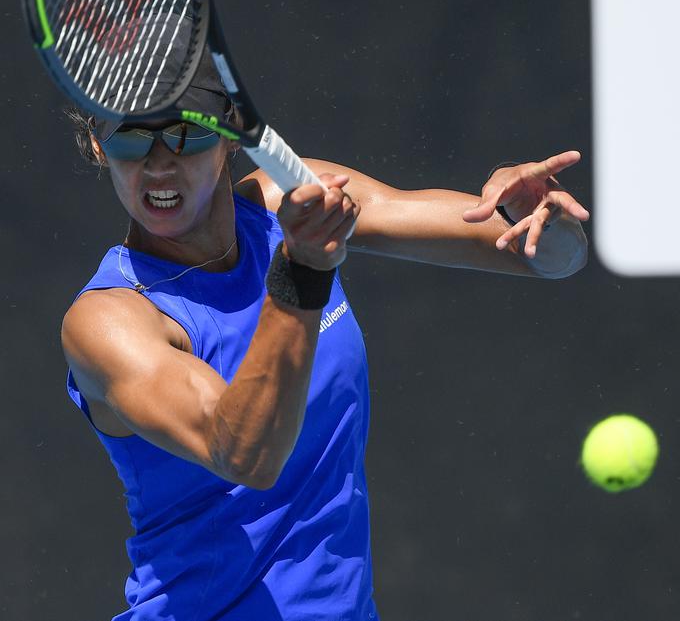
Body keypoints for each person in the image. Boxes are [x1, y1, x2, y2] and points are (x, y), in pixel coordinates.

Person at [61, 50, 589, 621]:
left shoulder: (283, 197)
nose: (159, 165)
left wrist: (539, 220)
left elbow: (545, 260)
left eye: (186, 135)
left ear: (229, 136)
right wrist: (303, 272)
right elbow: (242, 454)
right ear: (98, 145)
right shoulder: (110, 320)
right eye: (130, 140)